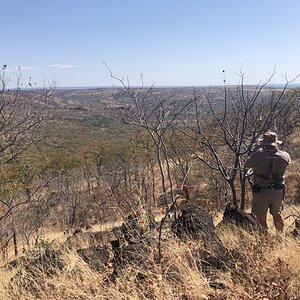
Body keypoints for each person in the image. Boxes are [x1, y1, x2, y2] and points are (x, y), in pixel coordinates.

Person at [245, 131, 291, 234]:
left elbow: (247, 164)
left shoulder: (257, 155)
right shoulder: (285, 156)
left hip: (261, 191)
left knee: (260, 218)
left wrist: (256, 150)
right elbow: (288, 162)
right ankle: (280, 237)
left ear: (263, 143)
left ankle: (265, 240)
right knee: (277, 215)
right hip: (278, 192)